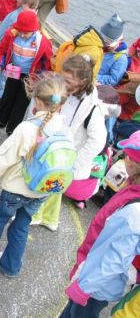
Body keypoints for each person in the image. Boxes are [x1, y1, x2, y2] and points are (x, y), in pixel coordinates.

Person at [0, 75, 70, 277]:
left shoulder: (27, 128)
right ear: (62, 104)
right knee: (21, 226)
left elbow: (5, 158)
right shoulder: (65, 130)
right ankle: (10, 266)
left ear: (36, 100)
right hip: (41, 191)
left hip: (16, 190)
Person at [61, 133, 140, 317]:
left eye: (128, 156)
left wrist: (84, 288)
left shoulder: (134, 213)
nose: (124, 158)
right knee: (71, 311)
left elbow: (114, 259)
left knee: (79, 313)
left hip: (98, 284)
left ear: (135, 163)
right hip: (94, 271)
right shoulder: (132, 185)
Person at [32, 55, 107, 230]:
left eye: (68, 80)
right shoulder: (67, 92)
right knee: (54, 187)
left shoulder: (92, 107)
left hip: (66, 154)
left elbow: (98, 140)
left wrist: (75, 161)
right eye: (62, 77)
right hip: (55, 148)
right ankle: (49, 219)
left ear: (83, 81)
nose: (63, 83)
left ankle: (35, 215)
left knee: (44, 182)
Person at [0, 10, 53, 135]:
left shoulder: (43, 41)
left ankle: (12, 129)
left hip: (31, 76)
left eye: (26, 33)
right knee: (7, 96)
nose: (22, 35)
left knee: (22, 102)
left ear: (34, 30)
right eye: (20, 31)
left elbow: (48, 61)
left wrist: (42, 77)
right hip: (14, 70)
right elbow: (2, 50)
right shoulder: (12, 33)